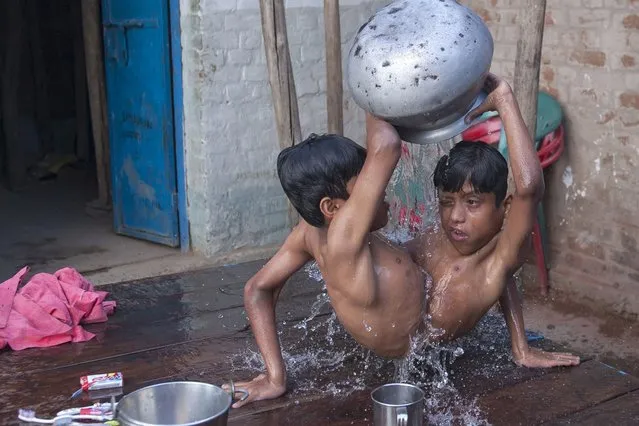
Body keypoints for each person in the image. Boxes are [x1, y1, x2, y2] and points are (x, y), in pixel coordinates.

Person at [227, 74, 579, 409]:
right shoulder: (344, 240)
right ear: (333, 208)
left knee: (494, 256)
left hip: (420, 334)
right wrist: (373, 75)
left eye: (471, 204)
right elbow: (387, 146)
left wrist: (276, 377)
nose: (379, 192)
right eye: (365, 186)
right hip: (406, 343)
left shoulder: (311, 231)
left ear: (501, 208)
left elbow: (256, 288)